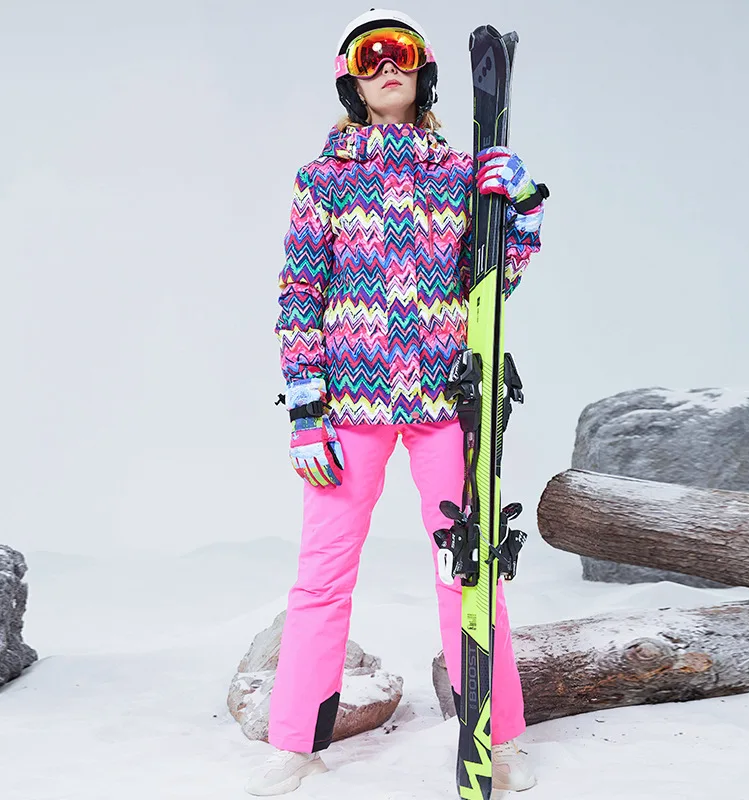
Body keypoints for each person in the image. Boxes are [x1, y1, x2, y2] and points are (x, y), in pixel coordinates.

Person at [246, 8, 546, 796]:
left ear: (423, 72)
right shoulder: (324, 179)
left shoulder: (457, 173)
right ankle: (296, 743)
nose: (386, 66)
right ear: (350, 78)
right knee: (322, 576)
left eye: (401, 53)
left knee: (470, 570)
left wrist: (523, 204)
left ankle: (498, 734)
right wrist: (305, 409)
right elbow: (299, 293)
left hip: (446, 404)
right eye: (369, 55)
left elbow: (496, 281)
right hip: (350, 410)